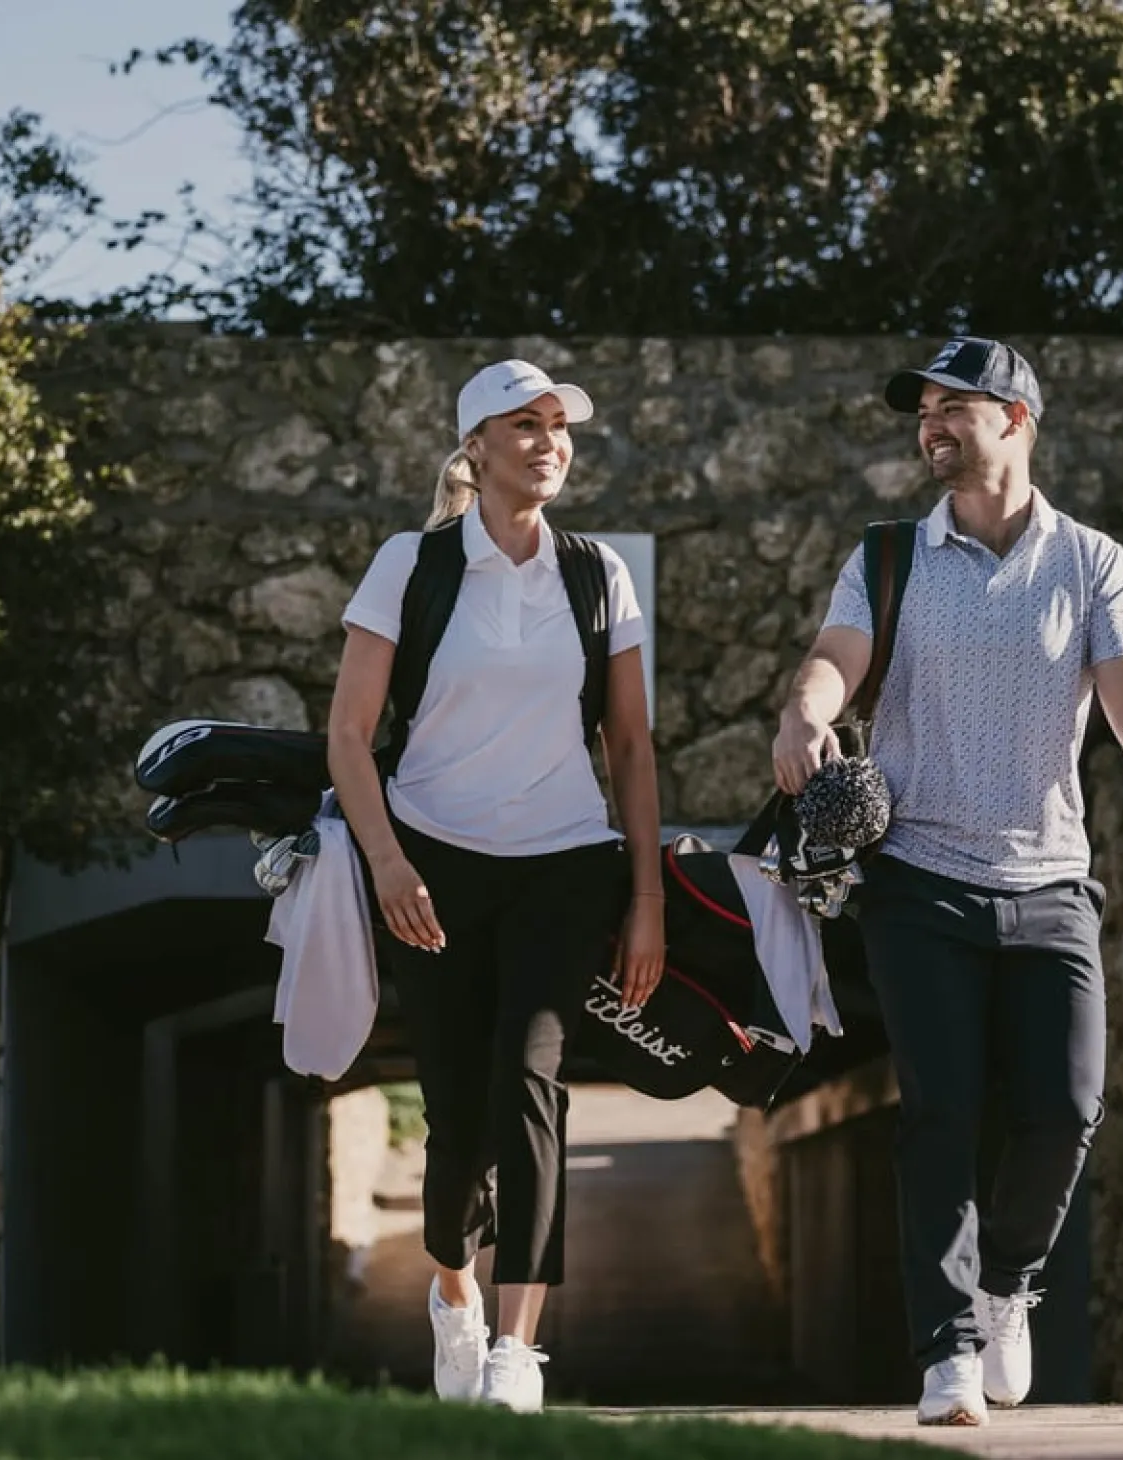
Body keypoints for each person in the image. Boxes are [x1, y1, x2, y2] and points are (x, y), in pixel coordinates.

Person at [772, 337, 1123, 1427]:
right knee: (940, 1110)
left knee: (1064, 1108)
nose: (930, 426)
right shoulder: (890, 556)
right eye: (921, 412)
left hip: (1050, 879)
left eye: (952, 408)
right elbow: (837, 652)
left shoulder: (1090, 561)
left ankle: (1008, 1283)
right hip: (918, 876)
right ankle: (946, 1350)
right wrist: (806, 709)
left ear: (1015, 418)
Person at [326, 359, 665, 1413]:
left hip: (564, 861)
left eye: (559, 426)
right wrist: (388, 860)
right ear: (475, 444)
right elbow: (348, 735)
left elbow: (629, 744)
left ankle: (517, 1348)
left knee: (530, 1083)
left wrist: (646, 897)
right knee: (456, 1119)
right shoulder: (411, 564)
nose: (548, 442)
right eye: (525, 424)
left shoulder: (598, 573)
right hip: (434, 864)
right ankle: (452, 1284)